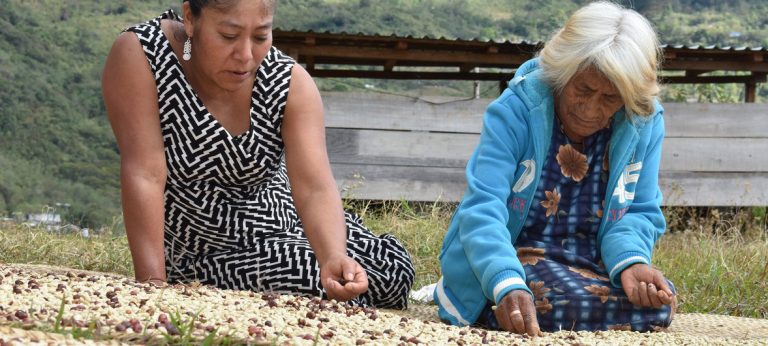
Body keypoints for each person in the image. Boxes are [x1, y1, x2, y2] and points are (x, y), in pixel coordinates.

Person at [102, 0, 414, 309]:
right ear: (191, 18)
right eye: (228, 36)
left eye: (261, 37)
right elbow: (145, 172)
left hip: (288, 221)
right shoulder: (143, 55)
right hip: (205, 250)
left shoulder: (288, 82)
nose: (245, 55)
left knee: (392, 269)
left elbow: (314, 187)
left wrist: (332, 255)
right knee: (307, 275)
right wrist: (154, 286)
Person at [434, 1, 676, 334]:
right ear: (563, 73)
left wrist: (631, 262)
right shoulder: (516, 111)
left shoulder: (642, 120)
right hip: (514, 254)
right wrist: (505, 283)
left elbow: (639, 210)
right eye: (584, 90)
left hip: (590, 264)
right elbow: (482, 210)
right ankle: (479, 297)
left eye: (610, 98)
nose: (591, 109)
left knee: (658, 304)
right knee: (552, 305)